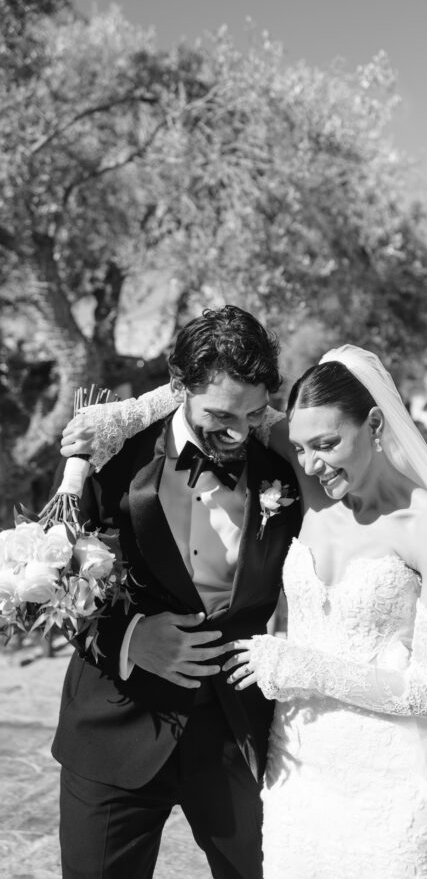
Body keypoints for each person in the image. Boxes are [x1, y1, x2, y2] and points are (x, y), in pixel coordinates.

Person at [63, 345, 427, 879]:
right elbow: (213, 398)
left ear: (374, 423)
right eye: (302, 447)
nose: (313, 462)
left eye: (327, 444)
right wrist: (124, 413)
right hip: (299, 762)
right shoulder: (304, 479)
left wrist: (300, 667)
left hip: (387, 765)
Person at [53, 306, 302, 879]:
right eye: (220, 413)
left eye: (253, 413)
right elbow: (51, 582)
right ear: (180, 385)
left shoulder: (285, 469)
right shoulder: (108, 458)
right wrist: (132, 639)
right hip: (115, 724)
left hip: (236, 729)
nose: (238, 432)